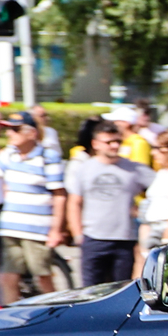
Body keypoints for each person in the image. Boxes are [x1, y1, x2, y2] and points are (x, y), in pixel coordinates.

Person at [0, 110, 68, 301]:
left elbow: (59, 195)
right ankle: (13, 322)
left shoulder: (48, 157)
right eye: (8, 129)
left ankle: (59, 313)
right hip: (11, 227)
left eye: (14, 130)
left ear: (31, 133)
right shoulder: (9, 154)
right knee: (7, 279)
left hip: (36, 229)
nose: (9, 134)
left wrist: (56, 230)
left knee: (42, 278)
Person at [70, 121, 156, 285]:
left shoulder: (133, 169)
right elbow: (74, 202)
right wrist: (77, 233)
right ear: (95, 144)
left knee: (120, 289)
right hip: (93, 237)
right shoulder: (84, 169)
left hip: (124, 239)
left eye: (117, 141)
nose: (114, 146)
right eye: (108, 142)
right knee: (90, 290)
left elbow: (162, 187)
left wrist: (145, 210)